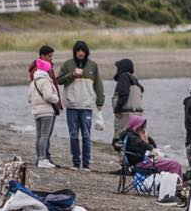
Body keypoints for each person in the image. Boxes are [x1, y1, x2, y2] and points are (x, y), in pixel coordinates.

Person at [55, 40, 104, 170]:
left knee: (86, 136)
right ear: (75, 52)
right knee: (73, 135)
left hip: (87, 106)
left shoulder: (93, 65)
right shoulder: (67, 64)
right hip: (72, 106)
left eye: (83, 51)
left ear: (86, 52)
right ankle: (76, 163)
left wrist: (100, 101)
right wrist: (72, 75)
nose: (80, 53)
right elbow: (58, 81)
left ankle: (86, 164)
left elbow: (98, 85)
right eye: (78, 51)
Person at [27, 56, 60, 168]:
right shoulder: (45, 81)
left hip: (36, 112)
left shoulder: (33, 82)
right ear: (46, 70)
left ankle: (39, 157)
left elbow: (29, 98)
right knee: (44, 136)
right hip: (46, 112)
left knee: (39, 136)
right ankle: (43, 159)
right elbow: (48, 96)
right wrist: (56, 98)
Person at [111, 58, 144, 150]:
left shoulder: (123, 76)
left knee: (118, 142)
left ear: (123, 68)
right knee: (133, 141)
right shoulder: (136, 81)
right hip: (137, 116)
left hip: (126, 116)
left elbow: (124, 94)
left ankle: (123, 163)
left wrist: (117, 109)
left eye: (118, 67)